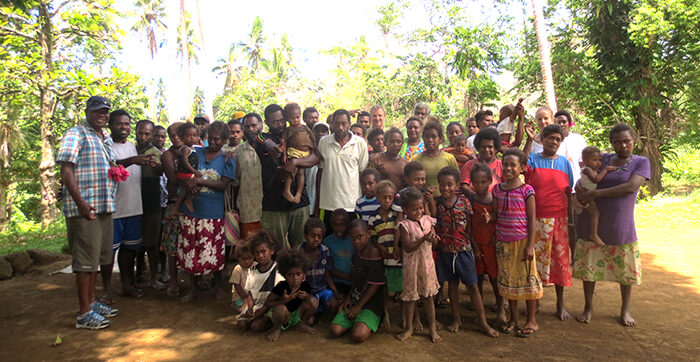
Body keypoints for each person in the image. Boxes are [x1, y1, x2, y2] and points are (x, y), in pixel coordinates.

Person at [573, 124, 649, 327]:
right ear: (611, 143)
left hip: (620, 223)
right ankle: (588, 307)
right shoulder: (603, 159)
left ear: (634, 140)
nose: (622, 145)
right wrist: (580, 189)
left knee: (625, 270)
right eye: (617, 141)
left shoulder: (641, 162)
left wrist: (596, 194)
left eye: (627, 141)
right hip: (592, 223)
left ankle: (625, 310)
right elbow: (584, 174)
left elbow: (630, 187)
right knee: (589, 269)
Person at [56, 95, 119, 329]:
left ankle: (92, 303)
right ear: (87, 112)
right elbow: (66, 170)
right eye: (98, 111)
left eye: (105, 112)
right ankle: (83, 314)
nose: (102, 115)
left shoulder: (104, 138)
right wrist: (80, 202)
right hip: (85, 208)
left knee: (96, 259)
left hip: (104, 205)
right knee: (84, 261)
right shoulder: (76, 134)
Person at [433, 167, 498, 337]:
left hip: (464, 251)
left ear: (457, 185)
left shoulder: (464, 202)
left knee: (472, 286)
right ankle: (456, 318)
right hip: (446, 252)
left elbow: (470, 227)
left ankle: (483, 322)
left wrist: (475, 247)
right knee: (452, 286)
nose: (446, 188)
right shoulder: (437, 203)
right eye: (442, 185)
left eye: (450, 184)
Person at [177, 121, 236, 303]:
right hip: (190, 211)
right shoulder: (197, 152)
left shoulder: (227, 159)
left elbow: (222, 185)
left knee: (215, 251)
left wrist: (199, 182)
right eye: (210, 138)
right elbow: (182, 169)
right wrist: (189, 182)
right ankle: (194, 287)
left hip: (212, 213)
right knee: (191, 251)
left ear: (224, 140)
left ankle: (217, 286)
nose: (212, 142)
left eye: (217, 139)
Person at [523, 123, 574, 320]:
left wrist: (570, 220)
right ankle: (535, 302)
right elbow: (521, 165)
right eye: (550, 138)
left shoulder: (564, 163)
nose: (553, 142)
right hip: (535, 220)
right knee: (534, 263)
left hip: (559, 220)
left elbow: (568, 194)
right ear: (542, 139)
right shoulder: (533, 159)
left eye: (557, 139)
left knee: (560, 263)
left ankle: (560, 304)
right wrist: (528, 139)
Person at [492, 148, 542, 338]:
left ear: (522, 168)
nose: (508, 168)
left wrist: (530, 245)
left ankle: (531, 320)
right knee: (509, 282)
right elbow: (497, 214)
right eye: (505, 164)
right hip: (503, 243)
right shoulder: (497, 189)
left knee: (527, 280)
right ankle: (513, 319)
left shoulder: (527, 190)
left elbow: (532, 219)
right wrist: (490, 218)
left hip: (521, 243)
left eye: (513, 165)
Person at [106, 110, 155, 300]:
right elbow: (109, 167)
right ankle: (106, 289)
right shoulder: (105, 146)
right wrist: (132, 161)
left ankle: (127, 285)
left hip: (134, 206)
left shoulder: (133, 147)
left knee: (130, 250)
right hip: (113, 208)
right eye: (120, 124)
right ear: (110, 125)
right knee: (109, 252)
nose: (124, 127)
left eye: (127, 123)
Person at [257, 104, 318, 250]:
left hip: (299, 202)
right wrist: (276, 149)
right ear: (267, 122)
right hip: (274, 204)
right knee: (274, 249)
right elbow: (268, 144)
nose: (279, 124)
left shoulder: (296, 131)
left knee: (302, 247)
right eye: (274, 121)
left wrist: (295, 161)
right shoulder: (262, 136)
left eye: (281, 120)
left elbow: (315, 157)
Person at [395, 187, 440, 343]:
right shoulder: (404, 225)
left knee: (428, 298)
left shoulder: (428, 220)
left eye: (420, 208)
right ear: (405, 209)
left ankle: (432, 328)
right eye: (414, 209)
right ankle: (409, 327)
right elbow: (407, 247)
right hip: (411, 267)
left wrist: (433, 238)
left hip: (426, 266)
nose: (419, 212)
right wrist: (423, 239)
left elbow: (434, 244)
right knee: (410, 299)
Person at [330, 219, 385, 343]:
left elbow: (374, 285)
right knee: (335, 331)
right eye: (353, 238)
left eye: (360, 237)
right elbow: (355, 280)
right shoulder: (357, 253)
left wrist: (359, 307)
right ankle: (358, 320)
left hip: (371, 304)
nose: (356, 241)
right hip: (355, 299)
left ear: (368, 234)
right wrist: (348, 298)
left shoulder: (373, 252)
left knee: (358, 336)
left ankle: (366, 320)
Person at [316, 109, 369, 231]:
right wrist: (318, 201)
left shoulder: (359, 143)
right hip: (328, 203)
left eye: (344, 123)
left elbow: (362, 173)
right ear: (332, 125)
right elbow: (320, 172)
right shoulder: (324, 142)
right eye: (337, 123)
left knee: (353, 240)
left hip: (352, 203)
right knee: (329, 240)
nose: (340, 127)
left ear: (349, 124)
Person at [469, 163, 505, 324]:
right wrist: (475, 246)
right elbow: (469, 226)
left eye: (483, 182)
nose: (480, 185)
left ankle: (501, 308)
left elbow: (499, 217)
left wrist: (492, 218)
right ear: (471, 182)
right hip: (476, 243)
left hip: (490, 244)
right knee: (477, 277)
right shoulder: (471, 200)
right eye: (476, 182)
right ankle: (479, 309)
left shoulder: (494, 199)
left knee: (493, 278)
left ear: (490, 181)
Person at [135, 119, 165, 291]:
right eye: (141, 132)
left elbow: (161, 172)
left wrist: (156, 166)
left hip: (152, 201)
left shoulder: (156, 152)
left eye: (148, 134)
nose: (144, 136)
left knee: (152, 243)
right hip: (132, 201)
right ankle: (139, 273)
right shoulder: (131, 150)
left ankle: (154, 276)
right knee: (135, 243)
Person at [264, 249, 319, 341]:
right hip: (283, 316)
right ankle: (277, 328)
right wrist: (284, 300)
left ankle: (302, 324)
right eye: (291, 275)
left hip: (297, 315)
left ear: (304, 275)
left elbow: (311, 302)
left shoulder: (305, 285)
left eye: (298, 274)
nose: (295, 278)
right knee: (281, 308)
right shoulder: (281, 286)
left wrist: (306, 296)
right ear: (284, 275)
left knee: (313, 301)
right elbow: (267, 303)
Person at [367, 180, 401, 329]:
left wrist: (397, 247)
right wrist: (379, 246)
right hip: (384, 260)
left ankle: (405, 316)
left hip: (397, 259)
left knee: (401, 288)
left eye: (390, 197)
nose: (387, 201)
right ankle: (385, 314)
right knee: (385, 289)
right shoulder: (373, 218)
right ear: (377, 197)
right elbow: (373, 237)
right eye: (384, 197)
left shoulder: (397, 216)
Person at [239, 231, 284, 332]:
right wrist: (250, 308)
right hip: (256, 306)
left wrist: (263, 310)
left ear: (271, 251)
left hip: (269, 307)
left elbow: (277, 295)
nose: (260, 255)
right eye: (257, 252)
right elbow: (249, 293)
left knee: (256, 327)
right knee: (241, 324)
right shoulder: (252, 270)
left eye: (263, 251)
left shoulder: (277, 269)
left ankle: (269, 322)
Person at [160, 122, 184, 297]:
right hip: (174, 202)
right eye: (172, 135)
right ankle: (174, 280)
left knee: (192, 242)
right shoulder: (168, 155)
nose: (175, 138)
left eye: (178, 134)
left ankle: (196, 278)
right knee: (173, 244)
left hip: (193, 203)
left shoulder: (194, 151)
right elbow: (173, 178)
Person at [298, 218, 340, 317]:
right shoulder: (298, 252)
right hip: (306, 291)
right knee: (310, 320)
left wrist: (335, 291)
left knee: (334, 304)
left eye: (319, 236)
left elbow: (327, 275)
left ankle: (319, 311)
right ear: (305, 236)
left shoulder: (325, 251)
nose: (316, 239)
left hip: (322, 289)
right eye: (312, 236)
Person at [577, 146, 617, 246]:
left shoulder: (592, 169)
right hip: (586, 196)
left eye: (599, 160)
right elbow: (596, 180)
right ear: (585, 161)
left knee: (594, 213)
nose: (598, 163)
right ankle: (593, 234)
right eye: (594, 160)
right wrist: (606, 170)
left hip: (588, 195)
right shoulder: (587, 170)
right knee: (595, 214)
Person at [232, 113, 264, 239]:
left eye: (254, 125)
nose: (251, 129)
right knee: (250, 247)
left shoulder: (272, 148)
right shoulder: (237, 152)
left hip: (272, 209)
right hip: (248, 209)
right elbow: (235, 182)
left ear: (261, 126)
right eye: (247, 126)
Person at [409, 121, 459, 196]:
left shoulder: (449, 158)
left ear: (440, 139)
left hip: (445, 203)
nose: (430, 140)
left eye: (433, 136)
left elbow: (457, 181)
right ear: (423, 139)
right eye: (427, 137)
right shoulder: (415, 159)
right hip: (423, 202)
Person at [280, 103, 316, 204]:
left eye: (297, 117)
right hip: (294, 153)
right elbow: (284, 142)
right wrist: (285, 155)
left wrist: (315, 148)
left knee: (301, 173)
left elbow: (312, 138)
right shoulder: (288, 130)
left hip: (305, 155)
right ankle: (286, 190)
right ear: (287, 119)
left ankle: (299, 193)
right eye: (292, 118)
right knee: (293, 171)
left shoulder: (305, 128)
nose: (296, 120)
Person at [460, 128, 503, 198]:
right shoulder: (469, 165)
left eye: (490, 147)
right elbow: (464, 186)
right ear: (478, 147)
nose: (486, 150)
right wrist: (478, 198)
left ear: (496, 148)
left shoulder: (501, 165)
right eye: (483, 146)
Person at [172, 122, 201, 214]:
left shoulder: (193, 147)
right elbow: (185, 162)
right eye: (188, 136)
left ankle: (184, 202)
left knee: (188, 189)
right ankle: (184, 203)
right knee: (189, 188)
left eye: (194, 135)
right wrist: (194, 171)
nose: (192, 138)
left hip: (188, 172)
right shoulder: (185, 148)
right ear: (182, 137)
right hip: (185, 173)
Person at [323, 209, 354, 294]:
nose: (339, 228)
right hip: (336, 283)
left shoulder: (354, 239)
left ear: (348, 224)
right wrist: (347, 276)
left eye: (342, 224)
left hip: (355, 283)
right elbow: (328, 268)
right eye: (335, 225)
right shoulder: (327, 241)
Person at [306, 122, 329, 217]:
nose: (320, 134)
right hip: (308, 203)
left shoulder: (330, 154)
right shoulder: (306, 152)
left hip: (326, 204)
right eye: (317, 131)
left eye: (323, 131)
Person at [230, 242, 256, 313]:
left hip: (254, 295)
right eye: (244, 259)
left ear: (254, 256)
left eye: (249, 258)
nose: (247, 261)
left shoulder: (256, 266)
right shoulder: (238, 269)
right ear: (238, 258)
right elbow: (237, 285)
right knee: (244, 309)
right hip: (240, 297)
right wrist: (245, 297)